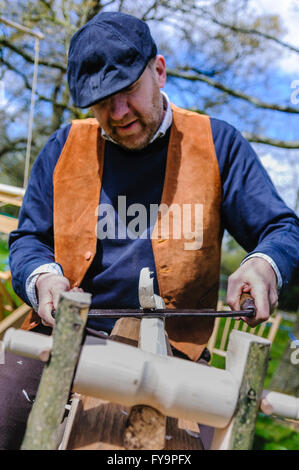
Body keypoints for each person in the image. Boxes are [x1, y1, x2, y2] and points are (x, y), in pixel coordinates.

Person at [2, 11, 299, 450]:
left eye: (126, 92)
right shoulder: (63, 146)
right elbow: (29, 239)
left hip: (178, 346)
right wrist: (42, 276)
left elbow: (282, 229)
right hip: (65, 334)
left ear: (158, 71)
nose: (118, 113)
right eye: (101, 102)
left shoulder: (219, 144)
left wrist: (264, 265)